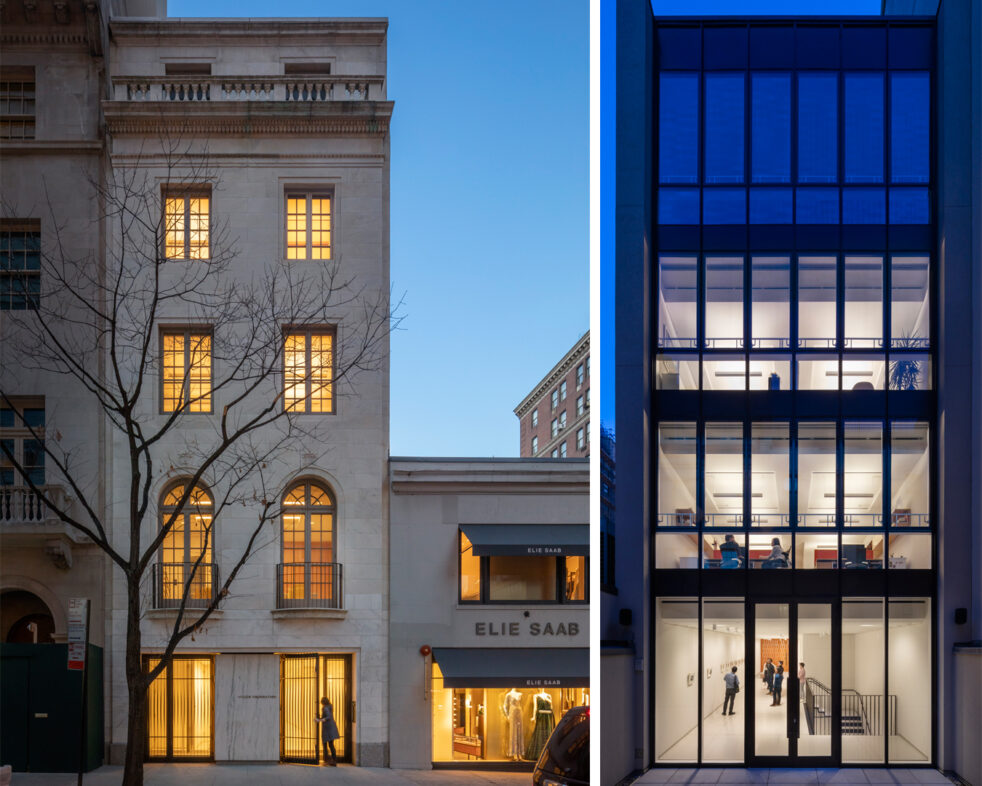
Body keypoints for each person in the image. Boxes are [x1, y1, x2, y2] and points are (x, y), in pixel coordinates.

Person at [315, 697, 340, 766]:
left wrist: (319, 720)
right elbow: (327, 717)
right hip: (331, 728)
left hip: (328, 729)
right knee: (330, 745)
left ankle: (328, 760)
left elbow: (328, 717)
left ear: (323, 702)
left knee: (327, 745)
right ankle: (333, 760)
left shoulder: (325, 708)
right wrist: (320, 719)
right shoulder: (329, 707)